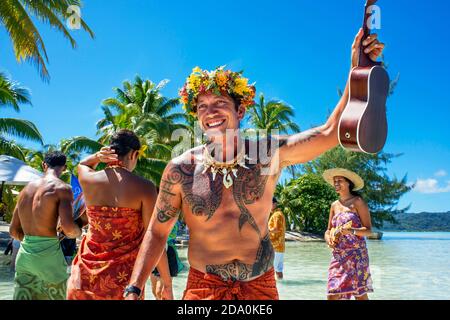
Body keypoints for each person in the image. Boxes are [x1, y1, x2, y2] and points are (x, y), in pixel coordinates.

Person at [125, 29, 385, 300]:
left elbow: (330, 133)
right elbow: (157, 232)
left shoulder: (268, 154)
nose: (210, 112)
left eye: (220, 103)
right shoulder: (181, 169)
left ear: (240, 111)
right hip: (204, 289)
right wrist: (134, 287)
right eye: (201, 106)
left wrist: (356, 70)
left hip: (260, 288)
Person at [66, 129, 172, 300]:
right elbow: (153, 237)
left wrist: (98, 157)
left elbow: (83, 165)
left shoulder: (89, 179)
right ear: (134, 154)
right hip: (121, 281)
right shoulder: (144, 187)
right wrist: (166, 282)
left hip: (83, 275)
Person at [9, 151, 82, 300]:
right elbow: (69, 229)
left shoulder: (24, 191)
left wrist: (32, 243)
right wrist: (79, 232)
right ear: (64, 167)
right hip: (49, 258)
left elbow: (13, 231)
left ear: (44, 165)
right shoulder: (62, 188)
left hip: (24, 257)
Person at [323, 168, 374, 300]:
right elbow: (328, 229)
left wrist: (351, 231)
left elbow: (368, 230)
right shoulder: (334, 205)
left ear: (348, 183)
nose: (336, 183)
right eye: (334, 181)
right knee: (332, 293)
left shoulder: (358, 202)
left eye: (339, 180)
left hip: (356, 255)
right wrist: (328, 238)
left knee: (360, 294)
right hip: (338, 255)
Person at [268, 197, 285, 280]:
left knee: (270, 271)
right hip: (280, 247)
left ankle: (270, 289)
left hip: (275, 246)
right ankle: (281, 287)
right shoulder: (278, 214)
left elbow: (276, 229)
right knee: (278, 270)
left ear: (274, 204)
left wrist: (264, 230)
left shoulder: (277, 215)